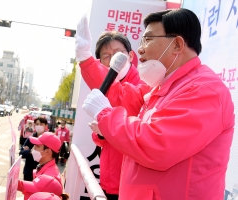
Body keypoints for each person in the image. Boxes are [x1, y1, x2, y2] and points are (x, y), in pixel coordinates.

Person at [82, 8, 235, 200]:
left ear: (177, 45)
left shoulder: (205, 90)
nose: (140, 49)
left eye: (148, 39)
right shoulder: (164, 87)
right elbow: (123, 97)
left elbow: (156, 145)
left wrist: (105, 115)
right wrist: (85, 61)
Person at [75, 15, 143, 199]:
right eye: (106, 56)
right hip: (109, 179)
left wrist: (85, 60)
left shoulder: (142, 84)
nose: (113, 59)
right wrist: (101, 133)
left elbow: (123, 98)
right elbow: (102, 140)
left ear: (130, 56)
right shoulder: (105, 90)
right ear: (101, 63)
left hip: (132, 185)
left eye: (118, 53)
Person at [20, 117, 48, 181]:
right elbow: (21, 153)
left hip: (42, 173)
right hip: (29, 171)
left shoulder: (49, 139)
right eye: (37, 124)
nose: (39, 126)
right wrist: (30, 151)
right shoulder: (30, 138)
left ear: (46, 126)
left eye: (41, 124)